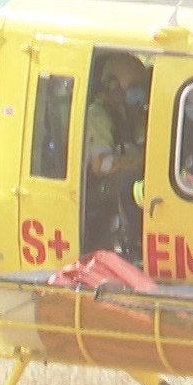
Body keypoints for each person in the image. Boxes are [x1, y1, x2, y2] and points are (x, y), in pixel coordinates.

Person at [84, 55, 149, 256]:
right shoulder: (98, 115)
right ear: (113, 86)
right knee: (126, 181)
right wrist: (138, 162)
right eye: (133, 86)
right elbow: (101, 165)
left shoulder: (131, 114)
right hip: (103, 195)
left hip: (127, 195)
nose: (138, 93)